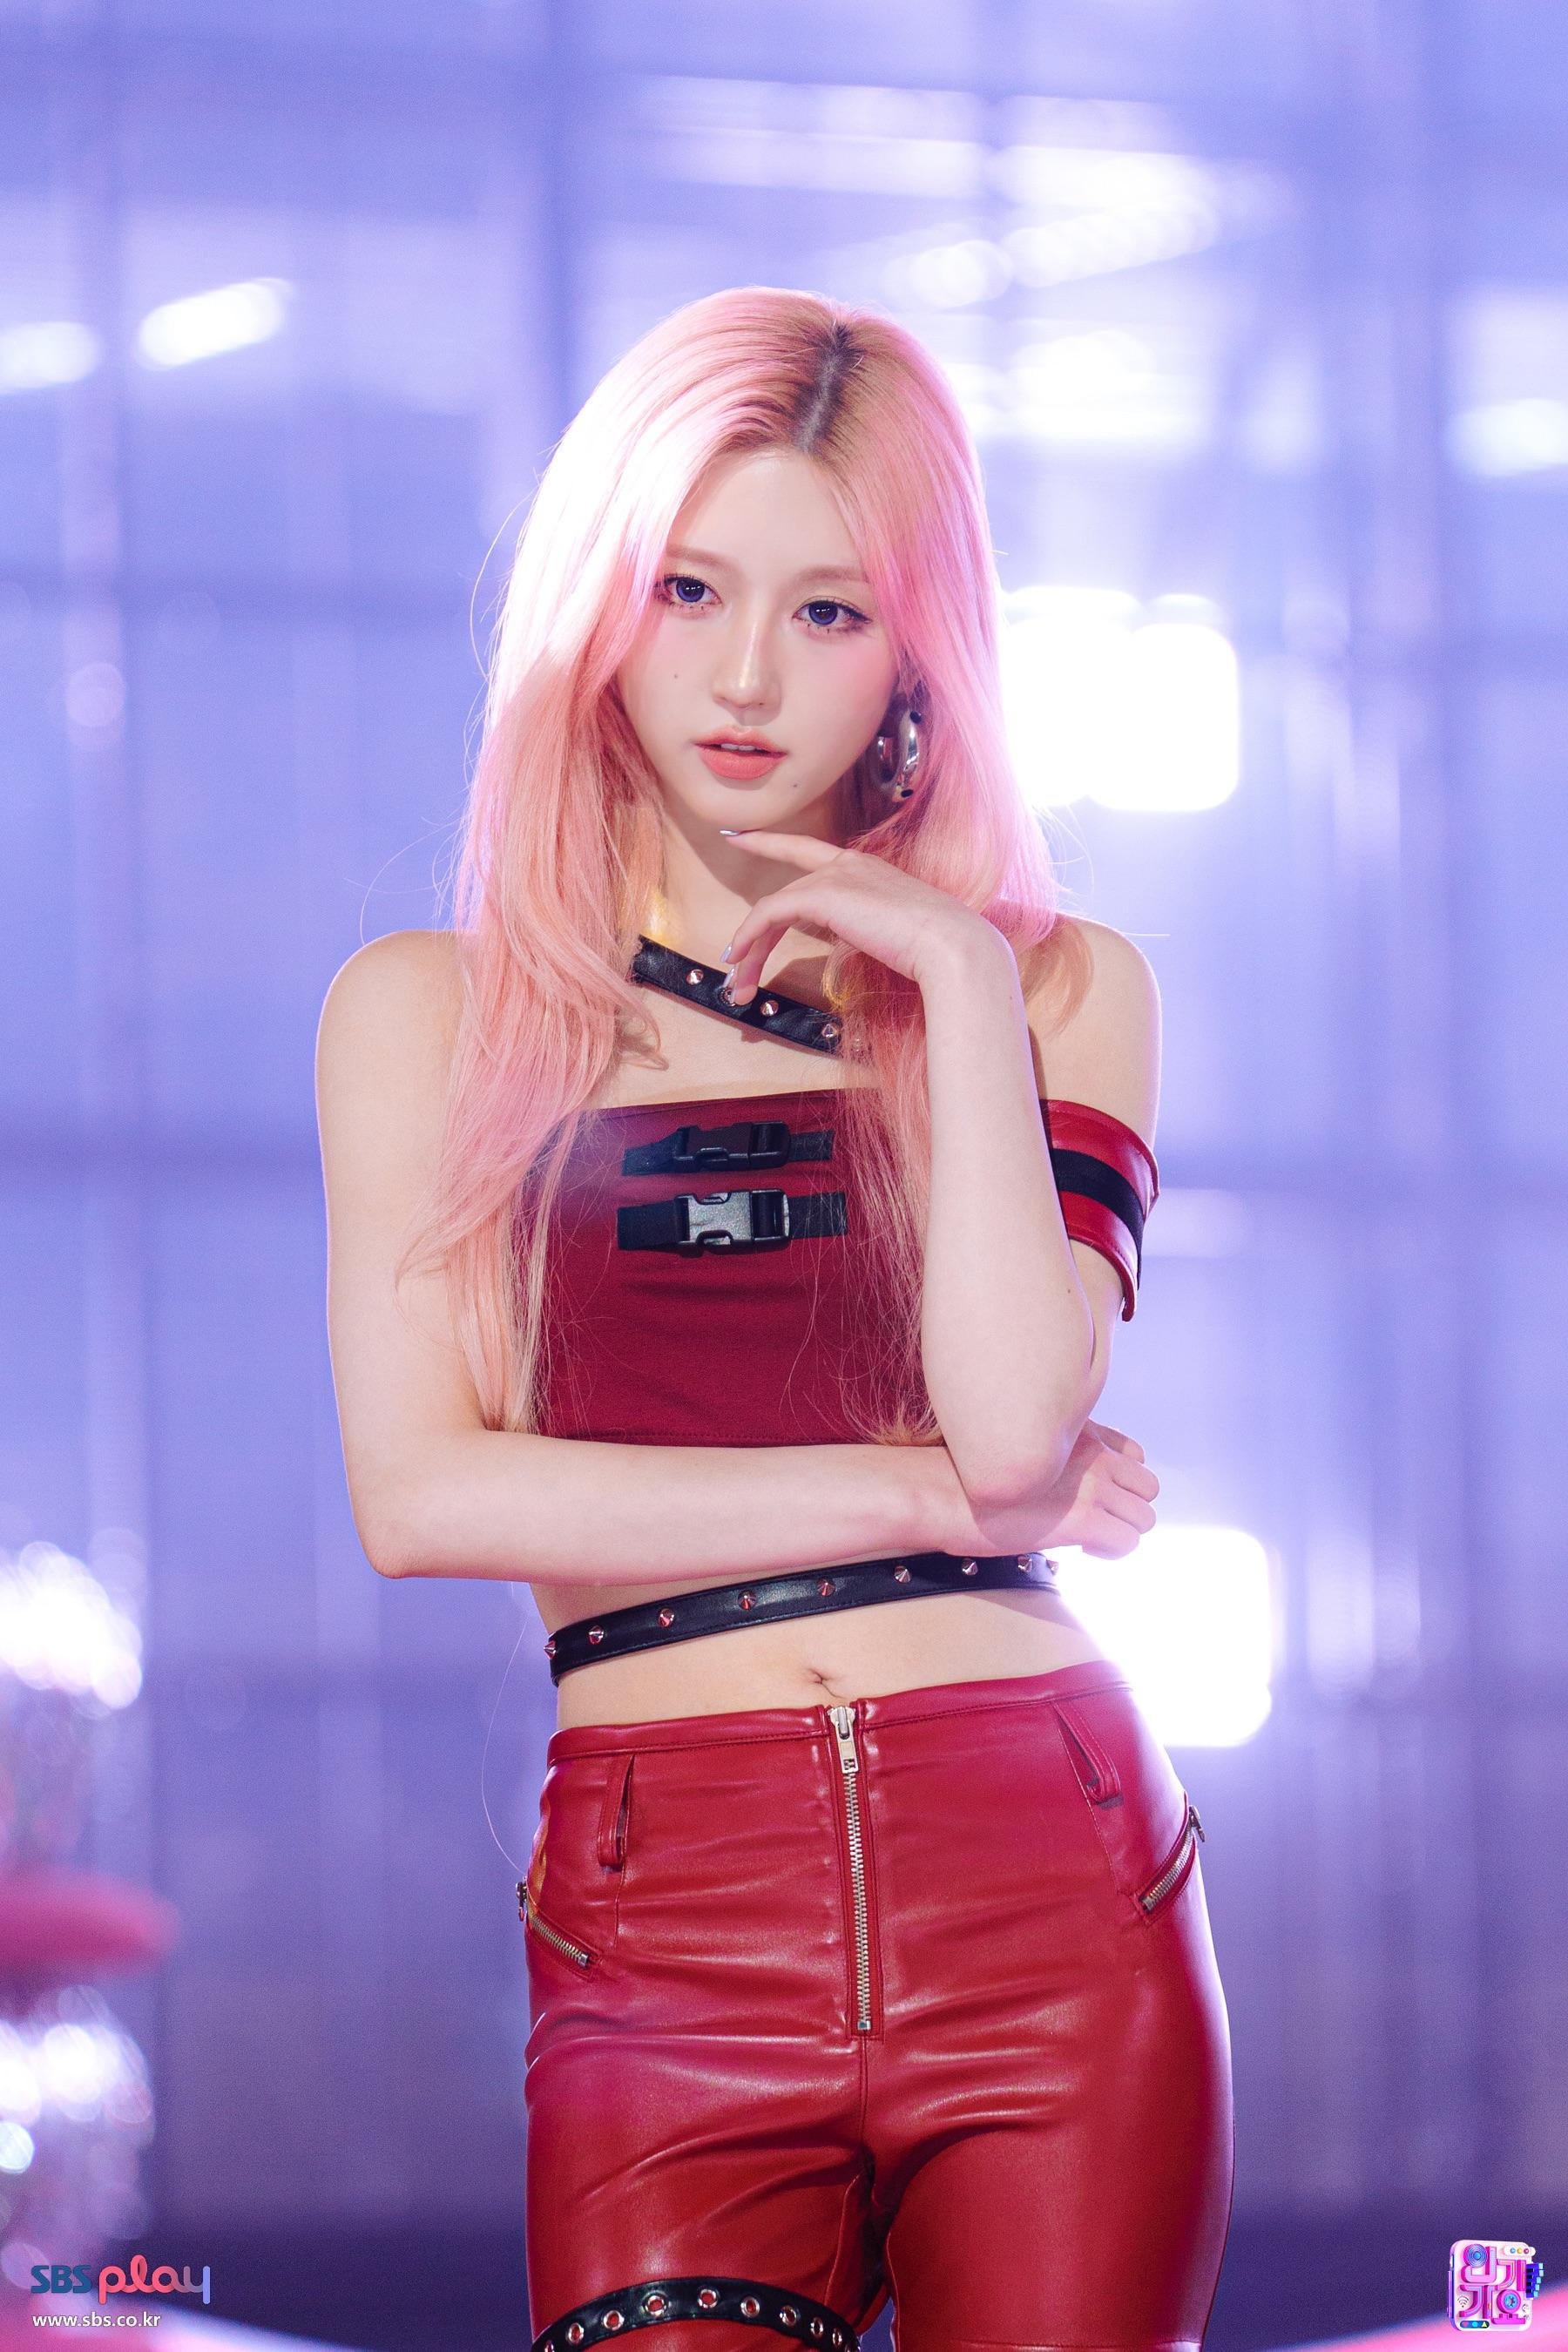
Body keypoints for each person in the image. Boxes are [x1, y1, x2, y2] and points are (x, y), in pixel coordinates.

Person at [315, 286, 1234, 2352]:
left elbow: (1018, 1430)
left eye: (830, 612)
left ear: (922, 644)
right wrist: (913, 1495)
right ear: (598, 605)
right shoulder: (433, 1017)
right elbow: (426, 1496)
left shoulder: (1058, 987)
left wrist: (959, 983)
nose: (746, 676)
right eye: (690, 589)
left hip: (1047, 1881)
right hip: (668, 1925)